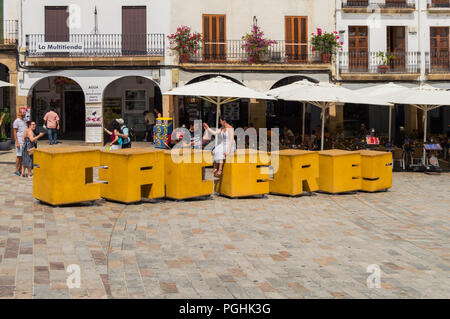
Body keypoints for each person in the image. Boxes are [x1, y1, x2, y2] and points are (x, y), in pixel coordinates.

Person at [13, 108, 27, 176]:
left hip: (24, 141)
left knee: (22, 156)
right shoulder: (16, 121)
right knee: (18, 156)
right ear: (19, 113)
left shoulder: (24, 121)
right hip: (19, 141)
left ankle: (20, 169)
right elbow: (15, 132)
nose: (24, 114)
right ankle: (16, 170)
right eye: (23, 112)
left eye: (24, 112)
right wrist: (17, 142)